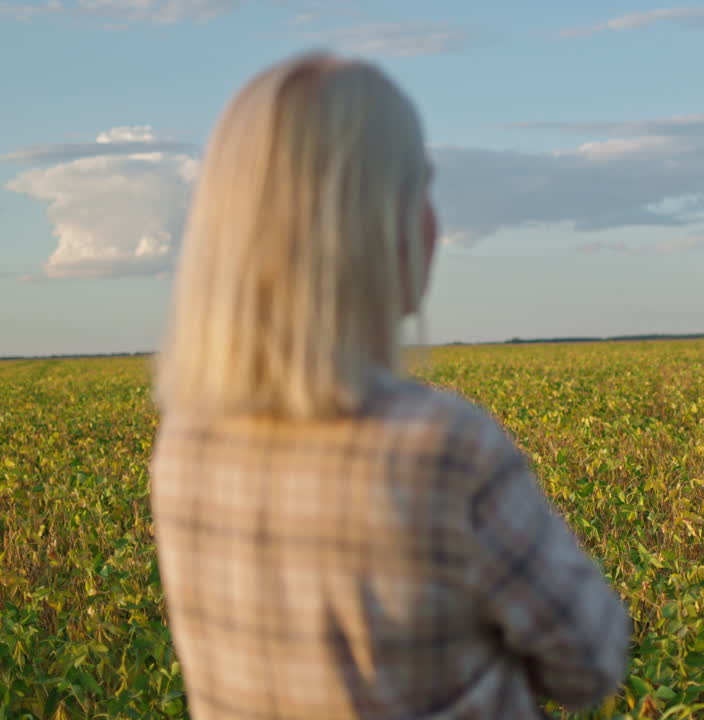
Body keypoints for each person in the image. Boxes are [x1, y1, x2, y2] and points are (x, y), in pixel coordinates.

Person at [149, 53, 630, 719]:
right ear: (368, 223)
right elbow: (591, 662)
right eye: (416, 188)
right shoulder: (441, 448)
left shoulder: (184, 438)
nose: (433, 222)